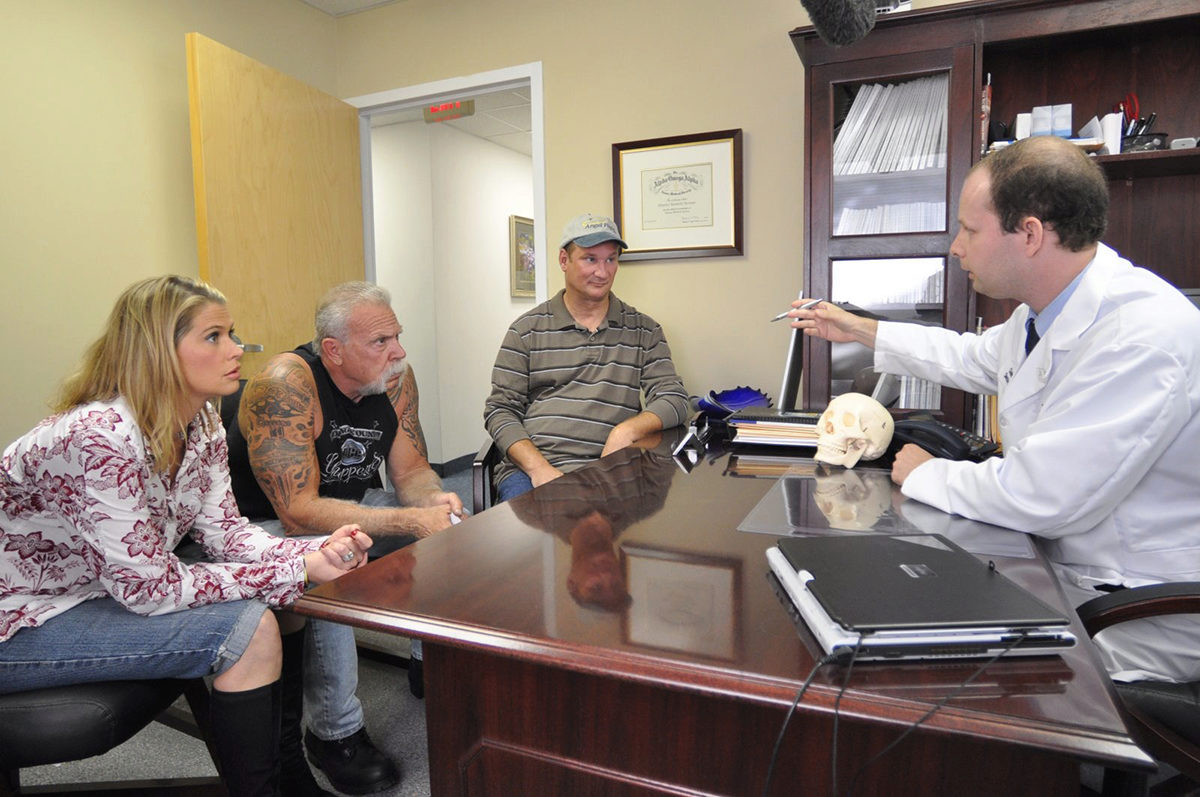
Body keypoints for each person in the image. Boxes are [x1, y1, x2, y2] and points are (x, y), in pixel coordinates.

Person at [789, 135, 1200, 681]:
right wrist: (856, 327)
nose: (956, 248)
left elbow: (1042, 496)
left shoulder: (1141, 335)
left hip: (1136, 606)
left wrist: (930, 473)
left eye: (969, 229)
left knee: (934, 672)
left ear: (1029, 234)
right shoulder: (1044, 315)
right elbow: (968, 355)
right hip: (1069, 570)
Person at [0, 276, 371, 797]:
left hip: (88, 596)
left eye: (232, 334)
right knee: (248, 630)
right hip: (18, 617)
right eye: (214, 336)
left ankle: (289, 776)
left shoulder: (203, 423)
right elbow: (149, 589)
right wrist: (294, 569)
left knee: (276, 603)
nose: (237, 349)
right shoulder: (98, 437)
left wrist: (316, 548)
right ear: (156, 352)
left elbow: (227, 534)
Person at [226, 281, 461, 777]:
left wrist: (433, 504)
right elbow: (297, 512)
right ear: (333, 350)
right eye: (380, 342)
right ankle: (335, 733)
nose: (397, 351)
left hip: (350, 505)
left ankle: (431, 664)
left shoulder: (394, 378)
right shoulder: (286, 384)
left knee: (452, 529)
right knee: (332, 565)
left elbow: (412, 472)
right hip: (261, 524)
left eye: (396, 336)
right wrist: (409, 519)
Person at [484, 213, 689, 502]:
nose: (603, 272)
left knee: (635, 537)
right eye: (590, 259)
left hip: (613, 470)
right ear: (564, 260)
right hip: (533, 471)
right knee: (523, 544)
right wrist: (539, 469)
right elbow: (500, 411)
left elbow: (675, 399)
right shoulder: (525, 330)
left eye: (611, 259)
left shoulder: (645, 330)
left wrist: (625, 431)